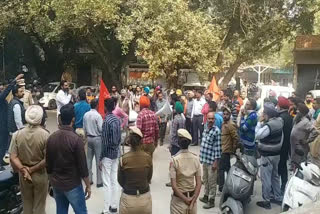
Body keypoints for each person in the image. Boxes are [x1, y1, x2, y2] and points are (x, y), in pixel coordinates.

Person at [46, 103, 91, 214]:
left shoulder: (51, 138)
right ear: (73, 119)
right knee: (81, 211)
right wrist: (88, 186)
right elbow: (83, 167)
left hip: (57, 184)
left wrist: (50, 182)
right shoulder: (76, 140)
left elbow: (48, 165)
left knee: (61, 211)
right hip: (73, 185)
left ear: (60, 119)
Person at [9, 105, 49, 214]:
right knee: (39, 206)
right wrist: (32, 170)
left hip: (24, 175)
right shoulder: (45, 135)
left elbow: (13, 156)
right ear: (40, 119)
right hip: (40, 175)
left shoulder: (17, 134)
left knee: (27, 205)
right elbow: (47, 159)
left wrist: (24, 169)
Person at [118, 127, 153, 214]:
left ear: (129, 142)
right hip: (144, 199)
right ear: (141, 142)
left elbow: (120, 180)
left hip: (128, 199)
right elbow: (149, 178)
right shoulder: (148, 158)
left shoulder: (123, 159)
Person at [255, 103, 284, 209]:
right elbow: (282, 137)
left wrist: (259, 123)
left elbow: (257, 135)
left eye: (264, 113)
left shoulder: (269, 126)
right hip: (276, 154)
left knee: (266, 178)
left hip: (267, 155)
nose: (262, 114)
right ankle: (278, 197)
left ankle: (266, 201)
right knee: (275, 177)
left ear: (268, 114)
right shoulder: (280, 122)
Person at [170, 129, 202, 214]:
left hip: (178, 202)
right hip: (192, 200)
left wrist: (186, 200)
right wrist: (192, 200)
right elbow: (199, 184)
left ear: (178, 143)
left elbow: (174, 186)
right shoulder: (196, 159)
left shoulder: (174, 160)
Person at [100, 98, 121, 214]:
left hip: (107, 154)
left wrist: (100, 158)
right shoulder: (117, 120)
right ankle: (114, 205)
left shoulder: (106, 121)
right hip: (115, 153)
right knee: (114, 180)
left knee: (106, 182)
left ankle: (106, 209)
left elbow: (104, 142)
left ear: (105, 107)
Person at [199, 112, 221, 209]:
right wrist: (201, 158)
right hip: (205, 160)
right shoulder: (205, 129)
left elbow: (218, 148)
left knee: (212, 182)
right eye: (209, 119)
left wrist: (216, 162)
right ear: (206, 119)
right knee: (205, 180)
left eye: (212, 119)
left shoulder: (216, 131)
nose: (211, 120)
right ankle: (206, 196)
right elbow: (203, 144)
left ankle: (211, 201)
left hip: (212, 161)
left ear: (214, 120)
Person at [0, 74, 23, 167]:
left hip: (4, 124)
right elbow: (6, 92)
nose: (1, 88)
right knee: (2, 144)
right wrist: (15, 80)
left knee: (4, 144)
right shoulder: (1, 97)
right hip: (1, 125)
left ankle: (1, 160)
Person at [83, 98, 103, 188]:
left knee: (89, 160)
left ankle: (90, 179)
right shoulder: (98, 116)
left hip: (89, 138)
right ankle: (99, 181)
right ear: (97, 105)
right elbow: (101, 129)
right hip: (97, 138)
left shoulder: (86, 115)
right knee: (99, 160)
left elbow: (84, 128)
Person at [218, 107, 239, 193]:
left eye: (227, 114)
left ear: (230, 115)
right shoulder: (224, 123)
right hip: (222, 148)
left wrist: (233, 150)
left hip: (226, 150)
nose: (225, 116)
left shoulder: (231, 125)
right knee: (227, 168)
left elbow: (235, 138)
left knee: (221, 169)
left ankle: (221, 187)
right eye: (224, 114)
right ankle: (228, 185)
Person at [277, 96, 293, 194]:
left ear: (280, 106)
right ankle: (284, 185)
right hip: (287, 144)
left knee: (278, 167)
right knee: (283, 166)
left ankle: (276, 188)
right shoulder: (289, 117)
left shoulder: (281, 118)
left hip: (280, 145)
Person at [74, 89, 91, 153]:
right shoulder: (88, 106)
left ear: (78, 96)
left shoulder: (75, 106)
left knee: (76, 151)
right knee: (83, 151)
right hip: (84, 131)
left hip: (76, 130)